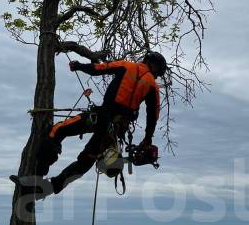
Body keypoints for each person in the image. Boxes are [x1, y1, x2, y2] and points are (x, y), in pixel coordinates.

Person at [11, 52, 167, 198]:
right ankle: (49, 188)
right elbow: (153, 116)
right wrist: (147, 138)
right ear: (156, 69)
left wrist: (78, 66)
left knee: (58, 131)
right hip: (115, 129)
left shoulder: (126, 65)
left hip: (100, 119)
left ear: (147, 61)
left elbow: (98, 69)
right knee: (86, 161)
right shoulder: (152, 86)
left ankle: (36, 179)